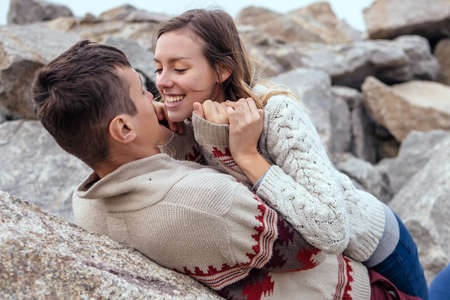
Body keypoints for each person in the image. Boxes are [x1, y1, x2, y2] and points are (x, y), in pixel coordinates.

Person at [32, 40, 378, 299]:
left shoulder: (87, 205)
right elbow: (313, 244)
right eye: (142, 94)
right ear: (124, 130)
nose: (157, 99)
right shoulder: (208, 202)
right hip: (352, 290)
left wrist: (169, 142)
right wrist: (231, 149)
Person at [152, 9, 428, 299]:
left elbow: (332, 229)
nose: (162, 82)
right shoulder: (186, 125)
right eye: (158, 69)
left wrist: (247, 156)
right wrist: (169, 139)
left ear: (222, 70)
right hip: (325, 267)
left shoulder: (276, 112)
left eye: (179, 69)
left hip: (377, 247)